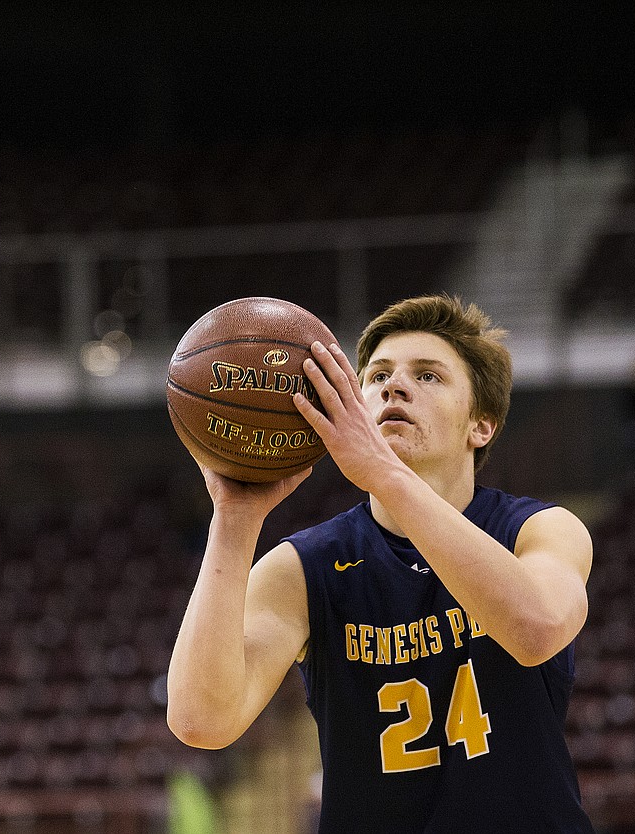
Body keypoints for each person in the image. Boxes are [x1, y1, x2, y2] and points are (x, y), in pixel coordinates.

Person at [167, 295, 595, 833]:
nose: (394, 386)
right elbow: (200, 721)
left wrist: (384, 473)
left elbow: (538, 628)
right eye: (376, 376)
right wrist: (234, 518)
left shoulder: (540, 529)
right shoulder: (305, 568)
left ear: (480, 425)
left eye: (429, 376)